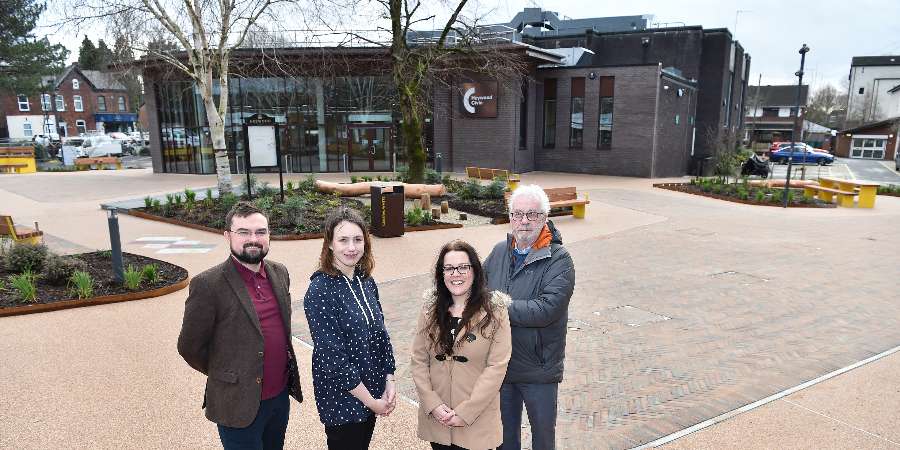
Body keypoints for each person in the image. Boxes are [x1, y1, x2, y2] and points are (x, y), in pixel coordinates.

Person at [177, 201, 303, 450]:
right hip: (236, 403)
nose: (253, 239)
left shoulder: (280, 273)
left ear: (269, 234)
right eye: (243, 232)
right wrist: (228, 374)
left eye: (260, 232)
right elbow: (189, 347)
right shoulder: (208, 284)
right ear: (228, 236)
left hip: (279, 399)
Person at [483, 185, 576, 450]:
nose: (524, 221)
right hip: (502, 365)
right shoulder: (499, 252)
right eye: (518, 214)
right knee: (503, 441)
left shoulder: (559, 259)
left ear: (544, 218)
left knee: (543, 441)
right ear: (510, 217)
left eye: (532, 214)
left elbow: (546, 310)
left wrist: (497, 306)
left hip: (539, 369)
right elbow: (477, 290)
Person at [303, 207, 397, 449]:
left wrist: (389, 378)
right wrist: (372, 403)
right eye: (343, 240)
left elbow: (381, 335)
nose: (351, 247)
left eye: (357, 239)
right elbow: (333, 359)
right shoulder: (320, 291)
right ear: (330, 244)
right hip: (343, 401)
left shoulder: (366, 281)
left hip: (372, 389)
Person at [411, 240, 512, 450]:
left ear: (475, 271)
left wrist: (466, 412)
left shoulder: (495, 311)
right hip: (439, 419)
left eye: (463, 267)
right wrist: (432, 403)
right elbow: (419, 360)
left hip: (476, 420)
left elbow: (497, 367)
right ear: (441, 274)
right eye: (449, 268)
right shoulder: (429, 310)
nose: (455, 274)